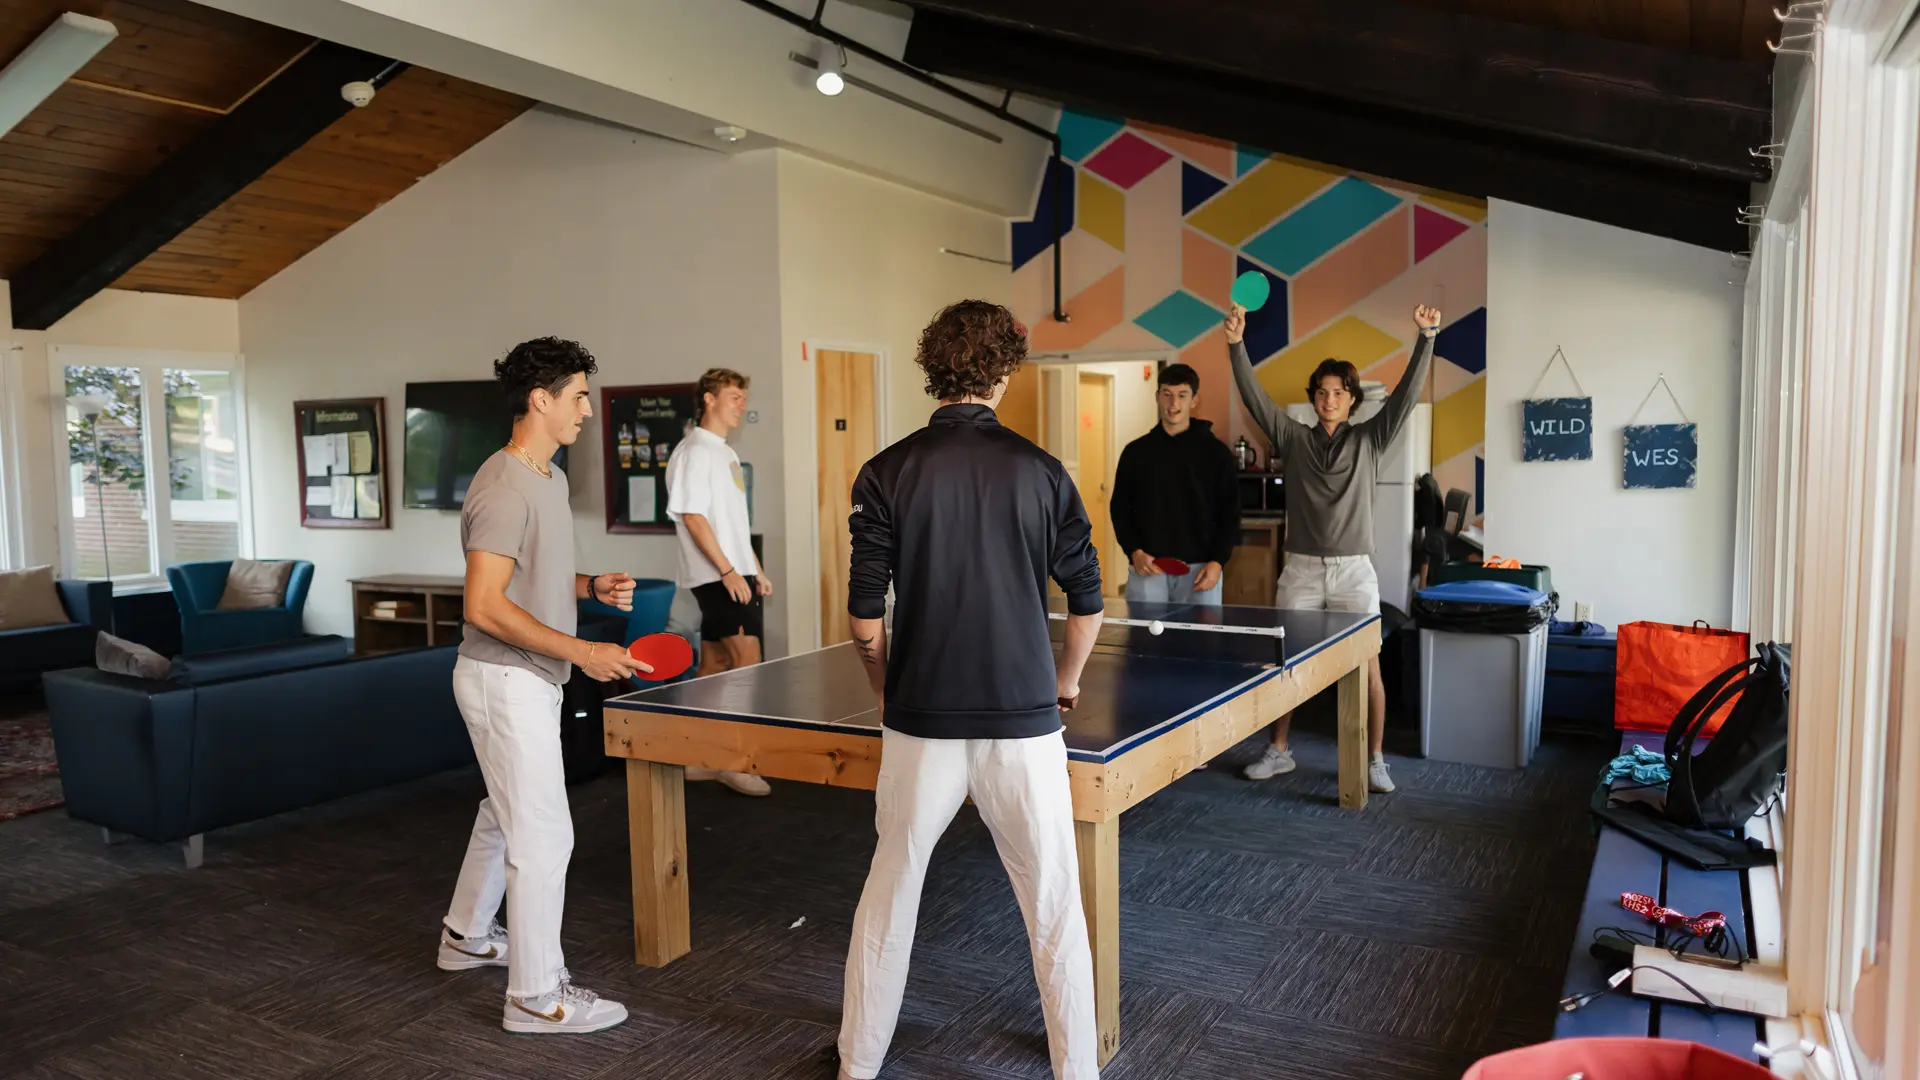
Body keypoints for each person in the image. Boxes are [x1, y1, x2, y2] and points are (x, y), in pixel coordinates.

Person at [837, 300, 1105, 1080]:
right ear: (1005, 373)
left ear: (933, 369)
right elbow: (1087, 604)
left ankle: (858, 1065)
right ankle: (1077, 1071)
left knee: (891, 893)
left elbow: (864, 617)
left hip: (919, 719)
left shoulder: (886, 471)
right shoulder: (1042, 472)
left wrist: (885, 687)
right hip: (1025, 722)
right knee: (1053, 903)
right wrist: (1063, 683)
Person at [440, 336, 646, 1035]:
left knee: (505, 815)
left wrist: (591, 586)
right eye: (579, 397)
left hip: (527, 677)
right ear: (541, 399)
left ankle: (466, 936)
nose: (587, 410)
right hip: (504, 680)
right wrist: (585, 651)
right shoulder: (503, 486)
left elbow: (532, 576)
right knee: (544, 835)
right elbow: (484, 605)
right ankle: (535, 997)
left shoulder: (548, 478)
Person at [1228, 303, 1442, 793]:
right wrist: (1236, 345)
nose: (1329, 399)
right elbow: (1255, 397)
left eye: (1339, 393)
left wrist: (1427, 338)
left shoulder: (1371, 438)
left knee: (1369, 667)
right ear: (1313, 399)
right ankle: (1279, 750)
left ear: (1352, 401)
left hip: (1353, 573)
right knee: (1284, 664)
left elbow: (1406, 396)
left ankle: (1375, 760)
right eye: (1322, 392)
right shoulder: (1292, 437)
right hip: (1301, 571)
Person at [663, 367, 774, 797]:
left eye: (744, 398)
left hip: (732, 572)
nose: (741, 406)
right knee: (748, 663)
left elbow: (731, 523)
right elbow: (692, 516)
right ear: (709, 399)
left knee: (712, 666)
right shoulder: (695, 450)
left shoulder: (723, 452)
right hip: (717, 575)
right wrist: (728, 571)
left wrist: (754, 568)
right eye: (733, 397)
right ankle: (735, 762)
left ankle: (697, 758)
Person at [1110, 362, 1239, 606]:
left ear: (1194, 400)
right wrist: (1134, 551)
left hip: (1201, 570)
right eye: (1167, 394)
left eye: (1182, 395)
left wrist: (1217, 562)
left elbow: (1230, 514)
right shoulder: (1135, 452)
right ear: (1157, 397)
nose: (1173, 404)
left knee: (1202, 634)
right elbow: (1120, 509)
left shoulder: (1217, 454)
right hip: (1148, 568)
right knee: (1144, 634)